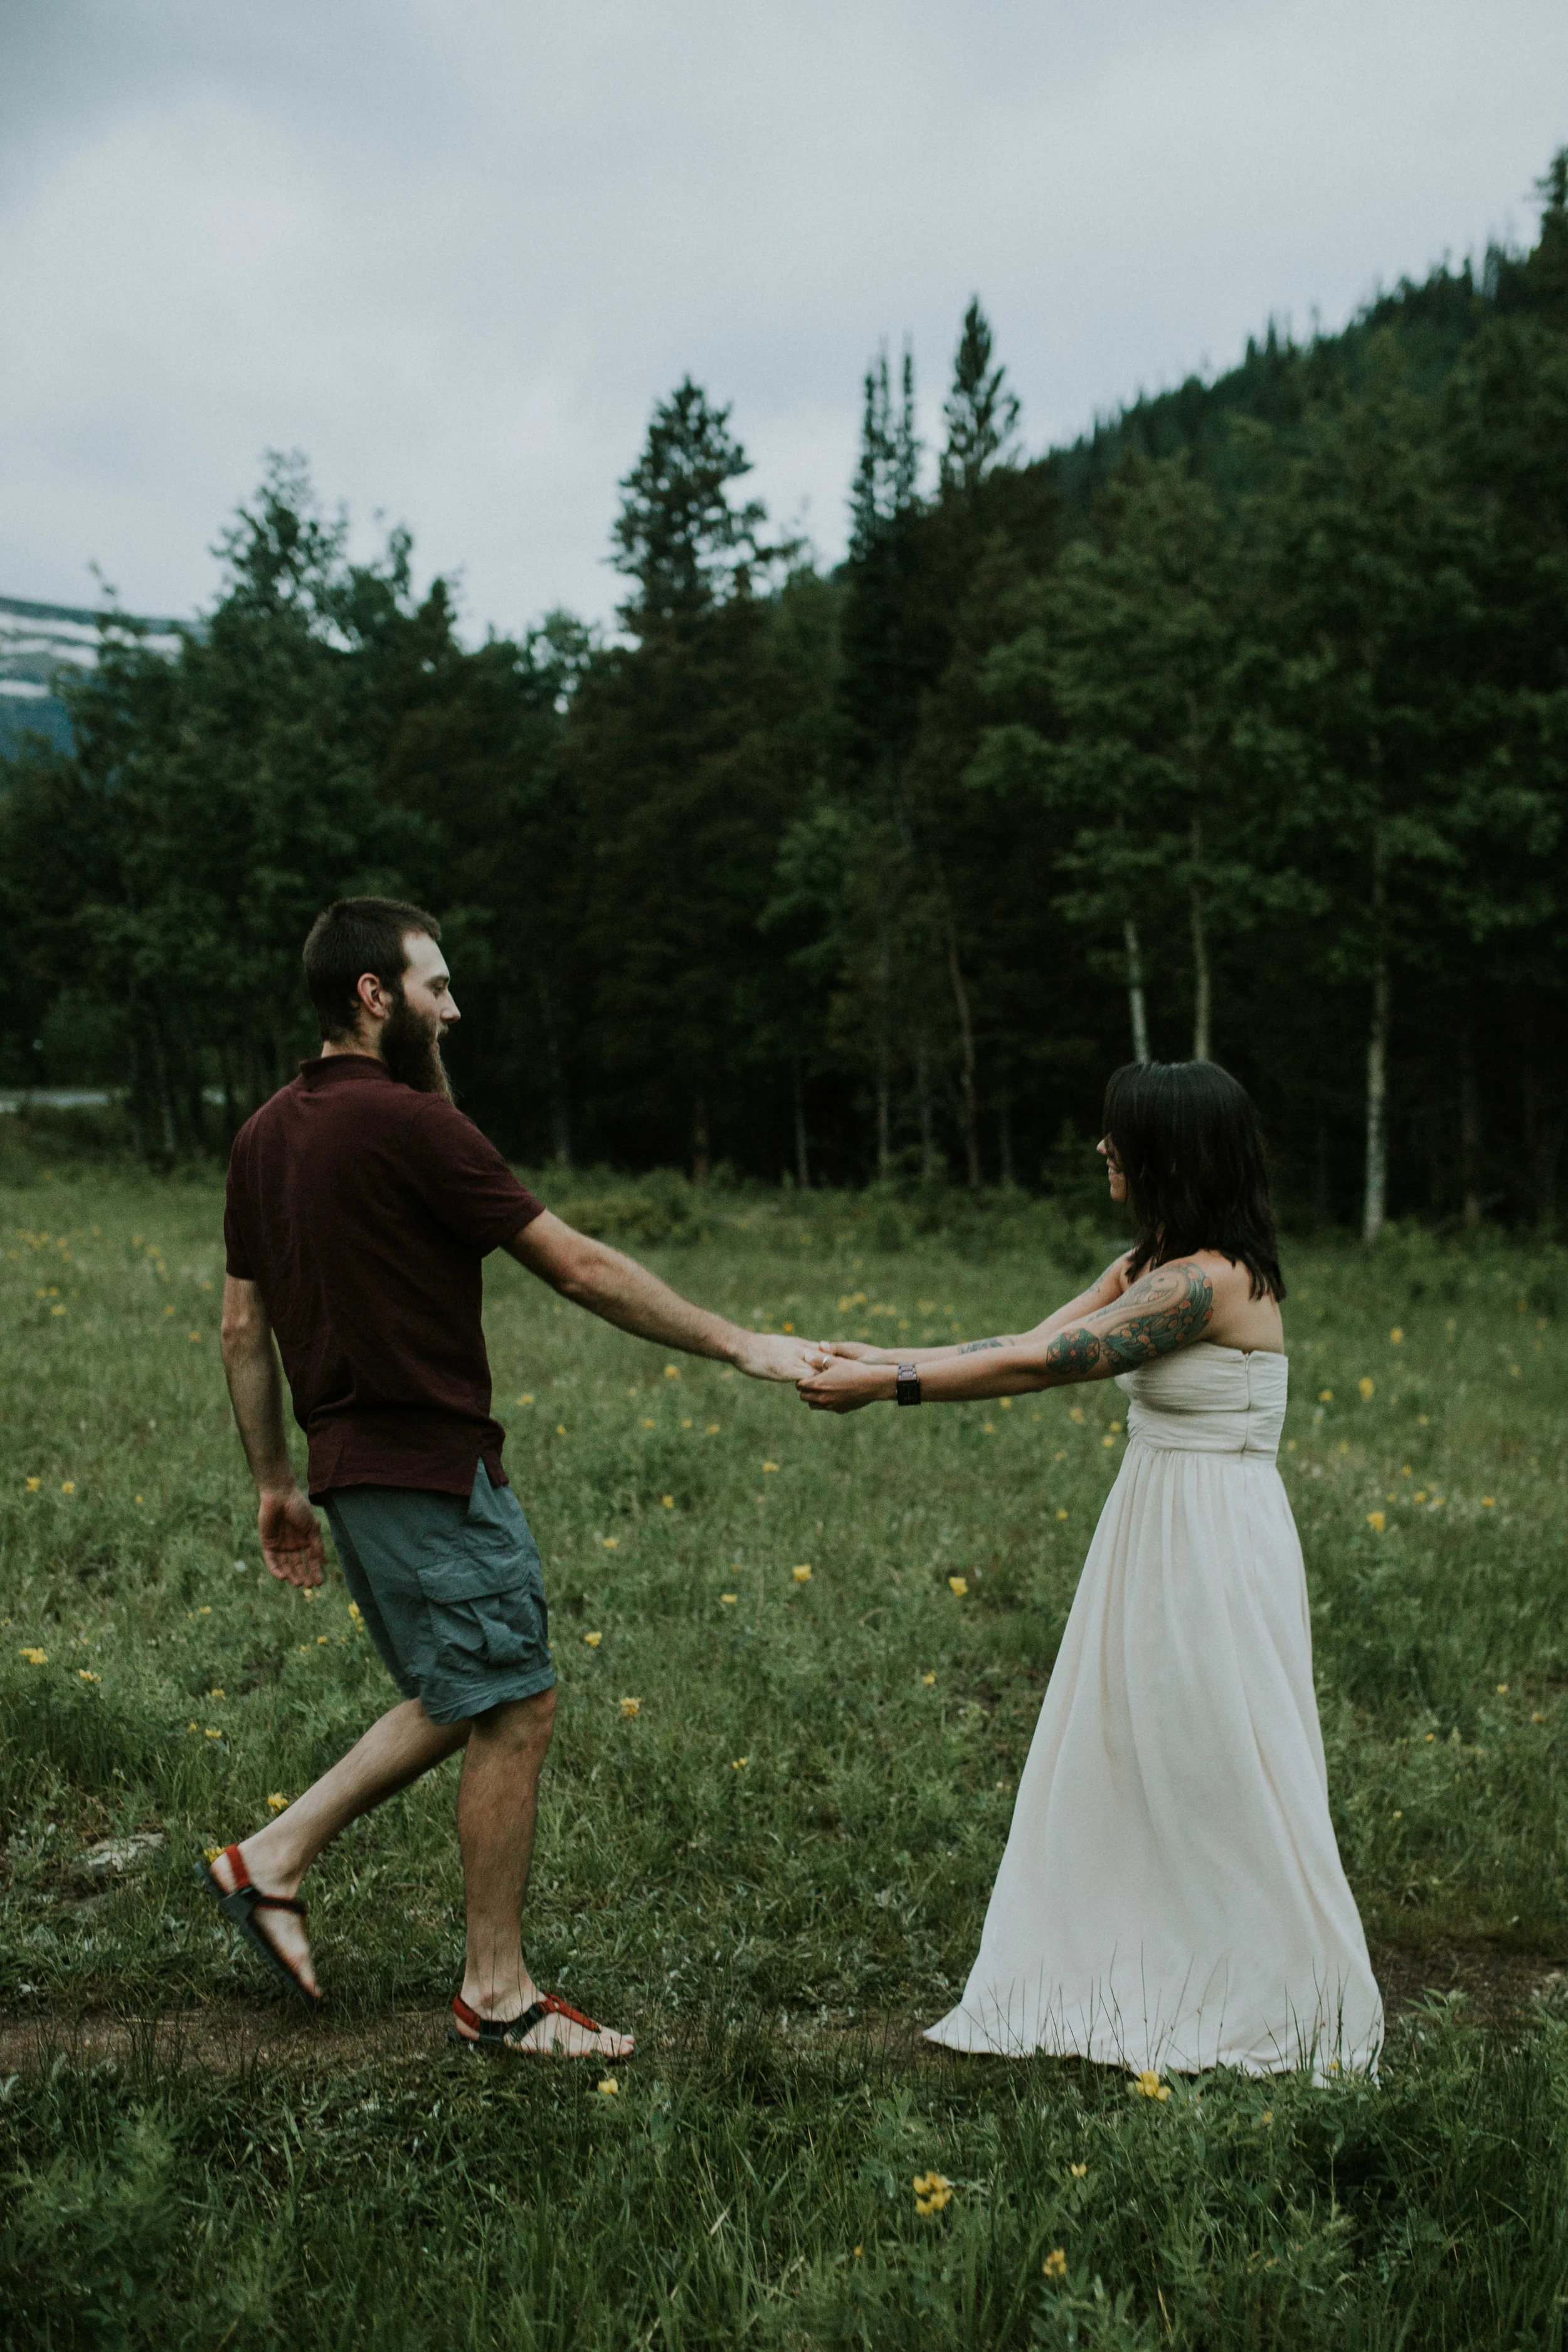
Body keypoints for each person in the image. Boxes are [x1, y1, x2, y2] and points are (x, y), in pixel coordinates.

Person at [208, 896, 817, 2060]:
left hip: (349, 1466)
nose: (455, 1007)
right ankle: (498, 1994)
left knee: (468, 1687)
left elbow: (243, 1328)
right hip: (431, 1466)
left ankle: (272, 1857)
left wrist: (276, 1481)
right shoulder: (416, 1129)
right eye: (435, 987)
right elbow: (579, 1267)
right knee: (516, 1701)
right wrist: (746, 1343)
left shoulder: (263, 1135)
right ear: (374, 995)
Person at [797, 1060, 1382, 2079]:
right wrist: (886, 1350)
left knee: (1220, 1755)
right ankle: (1138, 1955)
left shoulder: (1208, 1281)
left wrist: (888, 1385)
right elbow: (1034, 1337)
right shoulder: (1154, 1261)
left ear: (1169, 1150)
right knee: (1130, 1742)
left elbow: (1044, 1368)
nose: (1102, 1149)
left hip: (1215, 1538)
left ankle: (1276, 1986)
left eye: (1119, 1136)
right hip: (1152, 1521)